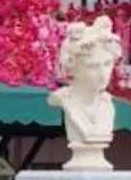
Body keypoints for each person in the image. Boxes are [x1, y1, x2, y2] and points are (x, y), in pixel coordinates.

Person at [49, 17, 122, 170]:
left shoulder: (107, 105)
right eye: (93, 66)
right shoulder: (64, 99)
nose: (103, 74)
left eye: (107, 64)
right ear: (73, 67)